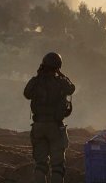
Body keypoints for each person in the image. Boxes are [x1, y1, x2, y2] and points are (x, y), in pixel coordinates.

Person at [24, 52, 75, 183]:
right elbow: (71, 89)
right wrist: (62, 75)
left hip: (38, 126)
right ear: (58, 66)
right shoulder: (60, 82)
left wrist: (39, 75)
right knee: (57, 166)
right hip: (55, 127)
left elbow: (26, 93)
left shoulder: (35, 82)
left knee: (40, 165)